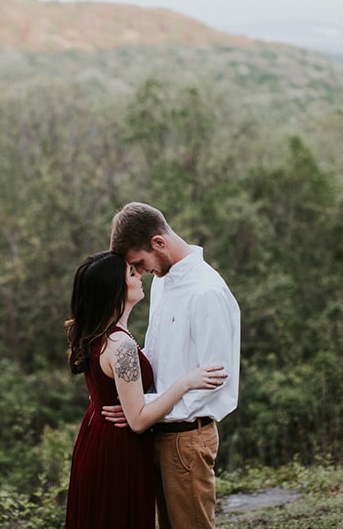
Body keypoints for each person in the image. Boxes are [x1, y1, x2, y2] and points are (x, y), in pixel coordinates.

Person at [64, 250, 227, 529]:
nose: (139, 274)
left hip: (98, 439)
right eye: (131, 273)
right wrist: (186, 382)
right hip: (117, 450)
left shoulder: (100, 336)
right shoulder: (120, 345)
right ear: (116, 289)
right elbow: (138, 420)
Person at [104, 202, 241, 529]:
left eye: (139, 262)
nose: (139, 272)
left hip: (186, 439)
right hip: (157, 433)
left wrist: (141, 407)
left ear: (159, 243)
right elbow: (158, 356)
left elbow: (214, 380)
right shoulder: (163, 280)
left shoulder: (206, 292)